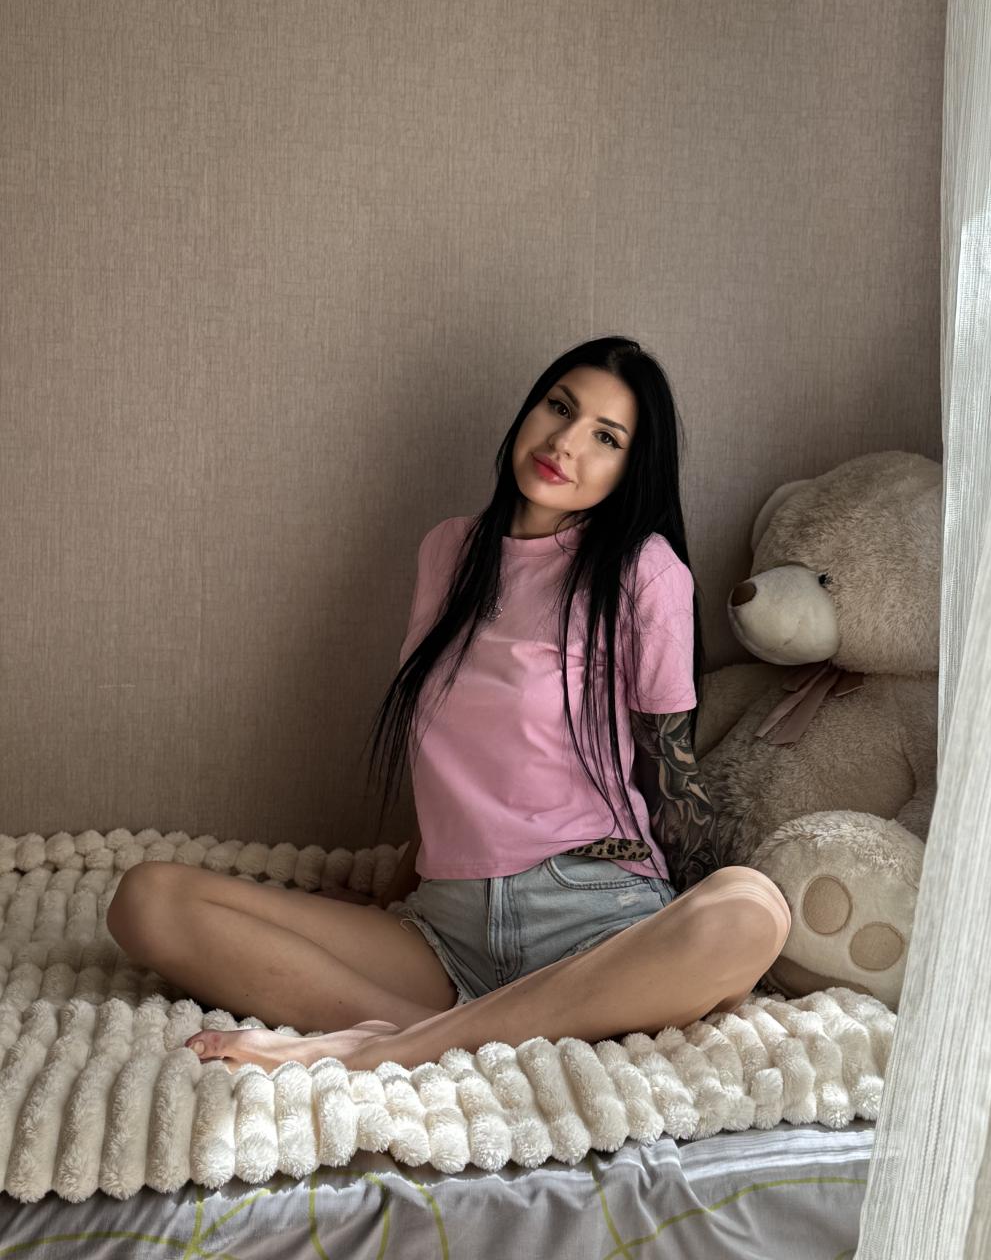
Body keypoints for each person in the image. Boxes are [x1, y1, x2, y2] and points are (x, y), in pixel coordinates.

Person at [107, 335, 791, 1074]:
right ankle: (464, 1033)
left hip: (594, 914)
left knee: (751, 910)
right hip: (445, 930)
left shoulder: (643, 570)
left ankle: (381, 1050)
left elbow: (671, 773)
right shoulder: (448, 553)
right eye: (559, 407)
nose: (565, 443)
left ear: (630, 469)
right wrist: (390, 902)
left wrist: (694, 932)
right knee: (148, 900)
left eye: (606, 437)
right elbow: (454, 766)